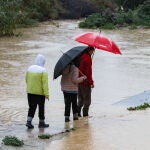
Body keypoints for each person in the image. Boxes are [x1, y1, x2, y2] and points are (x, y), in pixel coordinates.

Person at [25, 54, 49, 129]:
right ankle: (41, 123)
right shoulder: (43, 70)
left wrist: (30, 88)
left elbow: (26, 79)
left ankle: (29, 122)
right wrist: (47, 94)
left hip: (30, 92)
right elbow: (45, 84)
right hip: (40, 93)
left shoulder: (30, 68)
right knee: (41, 108)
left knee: (31, 107)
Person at [78, 46, 95, 117]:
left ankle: (77, 113)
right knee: (87, 101)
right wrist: (91, 83)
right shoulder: (88, 59)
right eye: (93, 51)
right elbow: (89, 73)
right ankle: (85, 115)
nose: (93, 52)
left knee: (80, 98)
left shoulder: (81, 56)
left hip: (79, 81)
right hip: (85, 83)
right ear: (90, 51)